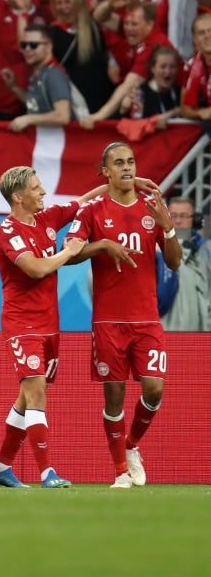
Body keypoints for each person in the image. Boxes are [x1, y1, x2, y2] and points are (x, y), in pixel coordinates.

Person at [67, 143, 182, 488]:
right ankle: (120, 469)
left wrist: (170, 228)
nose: (127, 168)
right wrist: (101, 245)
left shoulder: (153, 208)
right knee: (113, 397)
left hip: (146, 318)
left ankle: (131, 445)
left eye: (131, 161)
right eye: (118, 163)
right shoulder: (92, 211)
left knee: (154, 390)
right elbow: (69, 255)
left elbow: (175, 262)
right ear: (105, 171)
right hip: (108, 321)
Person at [0, 166, 111, 489]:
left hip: (48, 322)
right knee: (37, 390)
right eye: (36, 188)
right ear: (18, 197)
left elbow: (83, 202)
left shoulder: (46, 219)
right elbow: (36, 269)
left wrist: (126, 182)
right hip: (20, 322)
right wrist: (69, 251)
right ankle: (47, 473)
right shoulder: (6, 231)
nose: (43, 192)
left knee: (27, 397)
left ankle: (2, 468)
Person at [7, 24, 75, 132]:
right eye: (24, 45)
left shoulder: (53, 75)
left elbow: (62, 116)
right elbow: (36, 104)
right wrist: (14, 87)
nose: (27, 49)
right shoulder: (39, 73)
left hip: (55, 141)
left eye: (33, 45)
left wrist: (28, 119)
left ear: (48, 47)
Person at [160, 197, 211, 333]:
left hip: (198, 332)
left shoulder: (206, 251)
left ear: (195, 220)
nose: (177, 221)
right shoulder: (154, 249)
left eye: (183, 216)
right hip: (163, 330)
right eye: (173, 216)